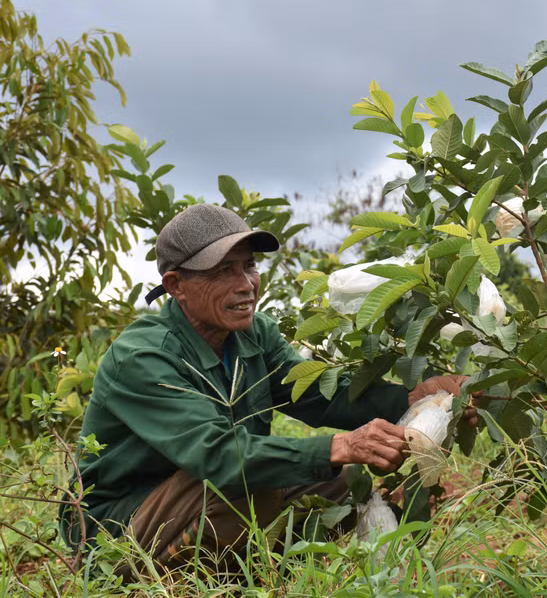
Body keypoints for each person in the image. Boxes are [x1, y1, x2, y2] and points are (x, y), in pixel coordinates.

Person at [59, 203, 468, 568]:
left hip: (199, 491)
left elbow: (319, 395)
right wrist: (340, 445)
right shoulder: (145, 357)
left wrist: (413, 398)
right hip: (115, 524)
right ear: (176, 286)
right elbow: (217, 455)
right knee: (246, 491)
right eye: (223, 271)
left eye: (249, 266)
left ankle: (264, 562)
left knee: (341, 480)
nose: (246, 284)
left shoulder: (254, 335)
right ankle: (223, 573)